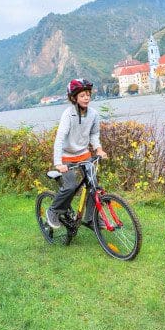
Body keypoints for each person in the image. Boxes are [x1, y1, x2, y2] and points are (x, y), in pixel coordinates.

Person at [45, 79, 107, 229]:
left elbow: (94, 134)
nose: (86, 98)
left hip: (84, 155)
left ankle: (91, 219)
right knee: (71, 186)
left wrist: (98, 149)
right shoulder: (68, 114)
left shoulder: (93, 114)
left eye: (88, 95)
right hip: (67, 156)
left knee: (94, 187)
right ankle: (53, 211)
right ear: (74, 98)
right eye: (82, 96)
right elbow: (60, 138)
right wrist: (58, 163)